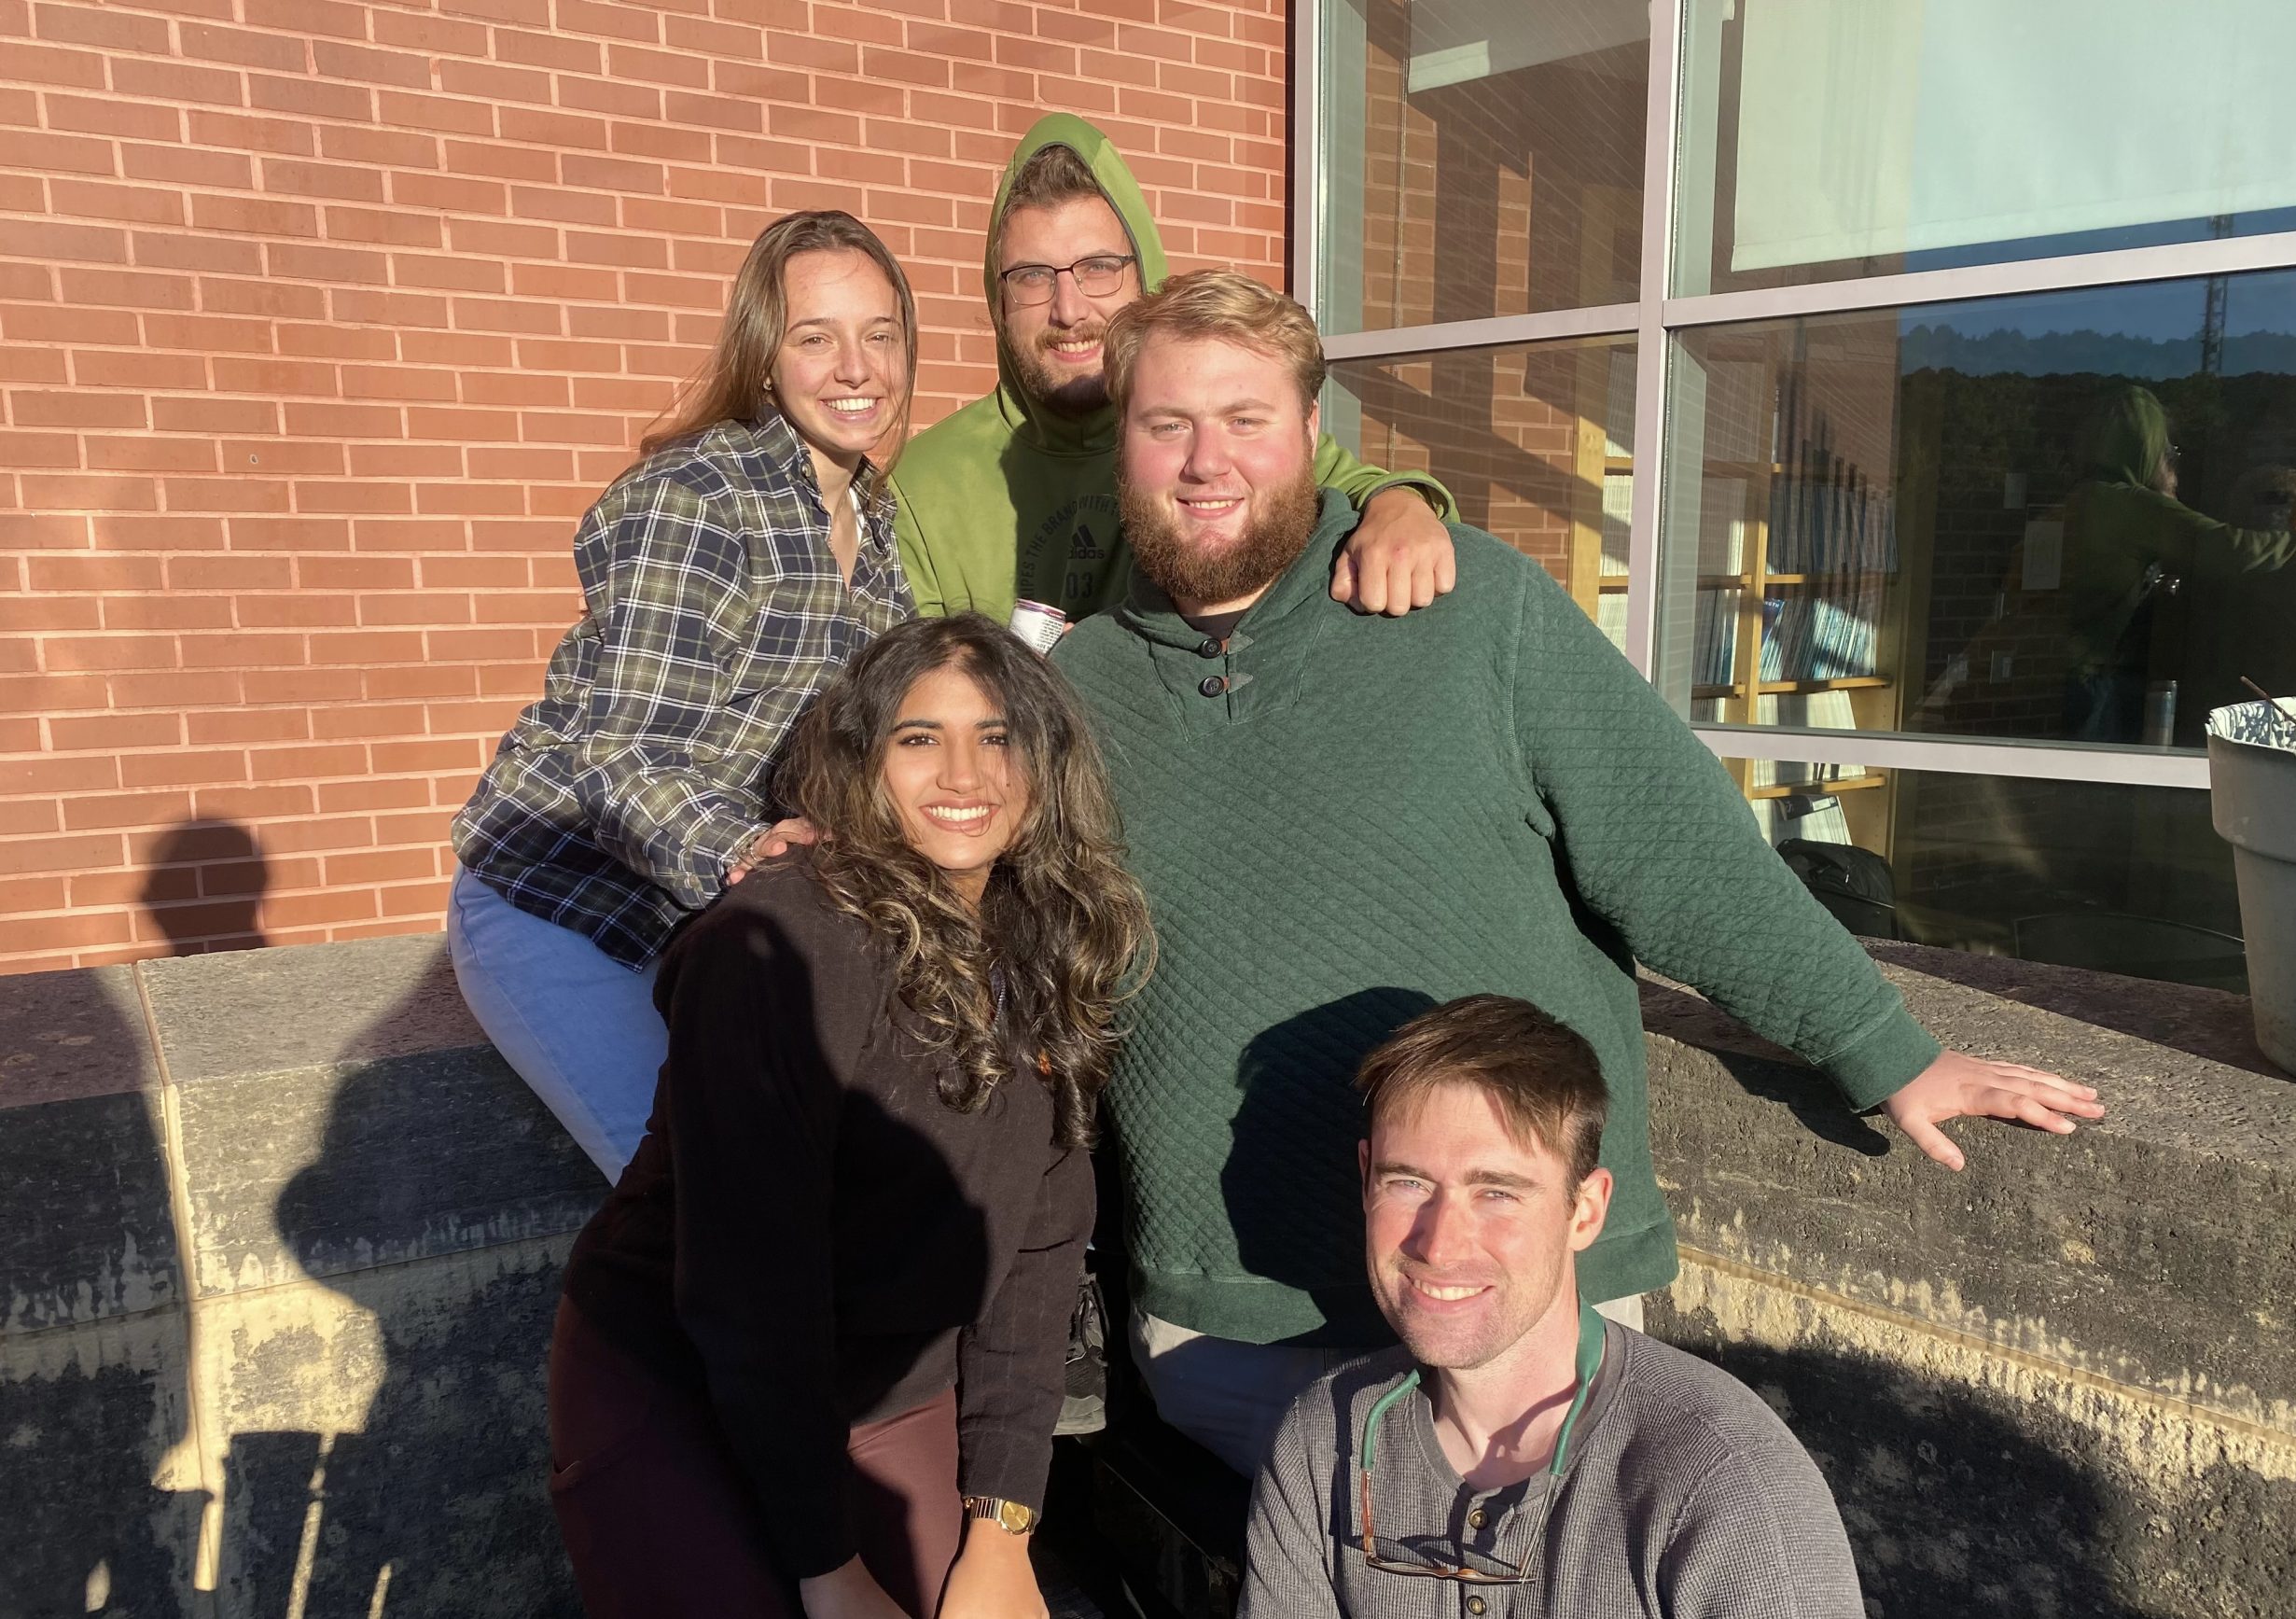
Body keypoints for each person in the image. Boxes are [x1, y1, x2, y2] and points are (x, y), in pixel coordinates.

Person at [1051, 269, 2104, 1477]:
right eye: (1166, 424)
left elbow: (1677, 847)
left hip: (1521, 1304)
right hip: (1230, 1324)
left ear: (1311, 438)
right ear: (1120, 445)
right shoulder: (1080, 688)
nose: (1206, 461)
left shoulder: (1469, 606)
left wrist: (1887, 1045)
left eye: (1247, 420)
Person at [544, 613, 1152, 1619]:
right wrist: (830, 1569)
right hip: (691, 1377)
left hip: (892, 1386)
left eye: (996, 736)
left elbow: (1039, 1251)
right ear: (861, 762)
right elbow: (750, 1289)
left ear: (1046, 765)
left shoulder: (1046, 938)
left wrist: (1002, 1531)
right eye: (918, 738)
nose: (964, 773)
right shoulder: (787, 939)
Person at [448, 211, 917, 1179]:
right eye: (815, 337)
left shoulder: (871, 523)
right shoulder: (699, 497)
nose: (856, 367)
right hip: (567, 902)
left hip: (714, 914)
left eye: (879, 333)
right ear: (762, 355)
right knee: (702, 1200)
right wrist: (746, 847)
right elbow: (621, 753)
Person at [1241, 996, 1865, 1617]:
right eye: (1408, 1182)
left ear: (1585, 1211)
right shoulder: (1324, 1440)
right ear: (1365, 1177)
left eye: (1497, 1192)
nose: (1438, 1243)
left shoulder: (1727, 1485)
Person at [888, 112, 1458, 624]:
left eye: (1099, 267)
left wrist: (1400, 506)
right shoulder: (920, 488)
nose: (1069, 309)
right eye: (1033, 276)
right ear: (997, 300)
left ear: (1146, 276)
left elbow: (1351, 484)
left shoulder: (1211, 436)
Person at [2060, 385, 2296, 743]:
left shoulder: (2084, 500)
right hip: (2084, 680)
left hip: (2058, 677)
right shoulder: (2128, 506)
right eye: (2167, 452)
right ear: (2144, 449)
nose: (2171, 462)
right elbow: (2226, 548)